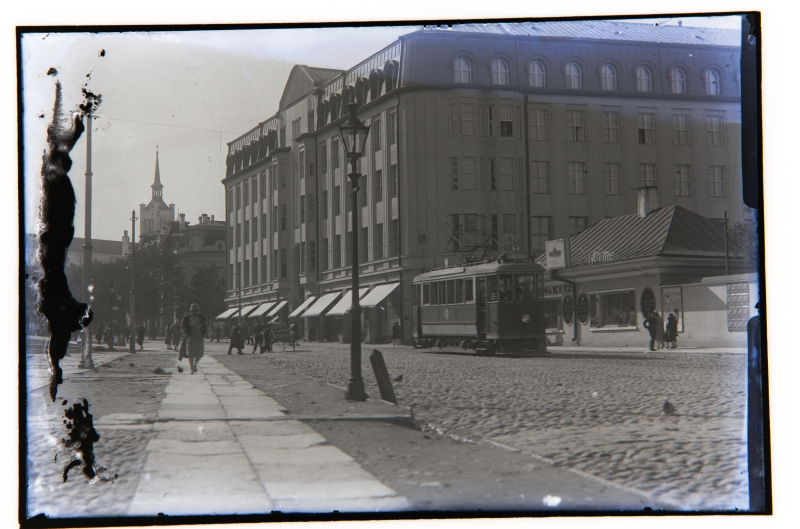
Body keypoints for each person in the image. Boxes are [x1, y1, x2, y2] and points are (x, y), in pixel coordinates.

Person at [181, 303, 208, 374]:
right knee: (191, 354)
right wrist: (186, 333)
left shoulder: (202, 318)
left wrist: (204, 333)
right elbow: (183, 326)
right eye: (193, 311)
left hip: (200, 337)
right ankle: (192, 368)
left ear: (198, 310)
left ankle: (195, 364)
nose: (194, 312)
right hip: (190, 337)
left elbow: (205, 326)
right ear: (190, 311)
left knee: (200, 354)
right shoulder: (186, 318)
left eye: (196, 310)